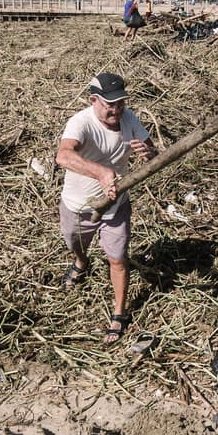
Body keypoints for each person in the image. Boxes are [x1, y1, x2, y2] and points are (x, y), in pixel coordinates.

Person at [55, 72, 157, 344]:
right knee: (75, 243)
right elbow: (63, 155)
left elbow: (153, 152)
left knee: (118, 258)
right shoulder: (81, 122)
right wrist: (100, 173)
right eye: (110, 104)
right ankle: (81, 261)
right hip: (78, 205)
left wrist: (148, 154)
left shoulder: (129, 118)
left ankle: (119, 312)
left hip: (116, 205)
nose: (116, 110)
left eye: (121, 103)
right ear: (93, 100)